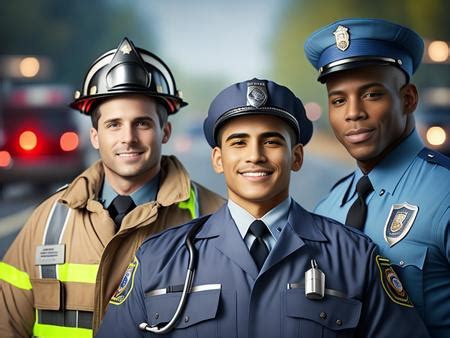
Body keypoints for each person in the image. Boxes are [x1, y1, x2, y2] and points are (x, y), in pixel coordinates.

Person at [96, 78, 430, 338]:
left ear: (296, 157)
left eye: (271, 141)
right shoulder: (157, 259)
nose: (255, 155)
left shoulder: (356, 257)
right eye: (238, 142)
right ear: (218, 159)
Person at [0, 37, 224, 337]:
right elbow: (7, 325)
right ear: (95, 136)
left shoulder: (218, 220)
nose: (128, 138)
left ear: (165, 132)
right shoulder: (47, 221)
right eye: (114, 124)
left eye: (142, 123)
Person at [304, 18, 450, 337]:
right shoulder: (328, 209)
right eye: (338, 100)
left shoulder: (445, 194)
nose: (353, 112)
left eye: (372, 94)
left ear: (408, 99)